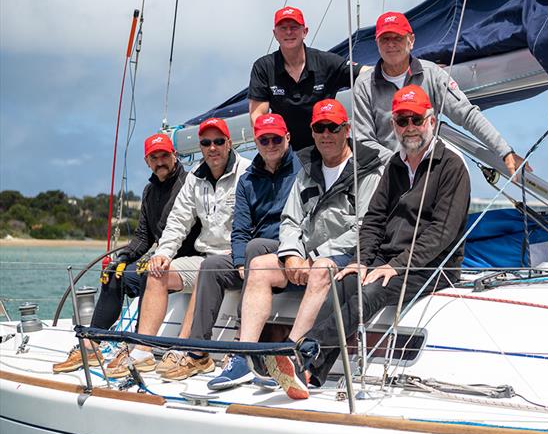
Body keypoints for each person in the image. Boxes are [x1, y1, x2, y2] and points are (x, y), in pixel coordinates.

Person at [270, 85, 470, 399]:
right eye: (402, 121)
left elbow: (442, 232)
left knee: (370, 293)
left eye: (416, 119)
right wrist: (360, 261)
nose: (409, 128)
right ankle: (312, 375)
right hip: (386, 260)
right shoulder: (394, 166)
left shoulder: (452, 167)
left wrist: (397, 265)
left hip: (429, 266)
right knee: (342, 285)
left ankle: (301, 354)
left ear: (431, 120)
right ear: (394, 126)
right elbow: (374, 220)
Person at [219, 98, 386, 397]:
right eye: (319, 128)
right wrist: (292, 254)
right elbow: (290, 219)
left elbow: (364, 226)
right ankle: (243, 356)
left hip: (341, 257)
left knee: (321, 269)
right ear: (311, 131)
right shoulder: (308, 170)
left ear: (346, 130)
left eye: (333, 127)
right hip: (305, 256)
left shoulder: (368, 172)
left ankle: (290, 356)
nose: (326, 134)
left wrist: (313, 256)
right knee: (258, 265)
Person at [104, 118, 251, 378]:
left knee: (207, 270)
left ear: (229, 144)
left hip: (237, 259)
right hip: (206, 256)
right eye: (206, 143)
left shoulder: (246, 173)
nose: (212, 148)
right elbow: (178, 221)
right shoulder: (196, 177)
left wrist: (241, 253)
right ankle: (143, 350)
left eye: (218, 142)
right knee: (156, 271)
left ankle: (183, 349)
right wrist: (163, 254)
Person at [164, 113, 301, 385]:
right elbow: (240, 227)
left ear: (287, 139)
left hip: (289, 250)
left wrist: (256, 254)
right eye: (264, 139)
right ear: (256, 142)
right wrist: (239, 261)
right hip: (254, 254)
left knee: (256, 246)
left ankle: (241, 349)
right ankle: (198, 350)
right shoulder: (249, 179)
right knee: (211, 265)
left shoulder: (301, 172)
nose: (270, 144)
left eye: (275, 139)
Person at [53, 134, 200, 373]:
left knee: (146, 273)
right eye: (155, 157)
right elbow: (144, 237)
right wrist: (122, 259)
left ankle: (140, 348)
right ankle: (91, 346)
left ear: (175, 155)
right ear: (147, 161)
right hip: (161, 259)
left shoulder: (189, 183)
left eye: (165, 155)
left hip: (187, 261)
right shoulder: (149, 191)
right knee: (115, 274)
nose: (160, 161)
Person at [352, 11, 528, 177]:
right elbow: (364, 141)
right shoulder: (364, 85)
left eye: (397, 38)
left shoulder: (433, 74)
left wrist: (504, 150)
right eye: (385, 39)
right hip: (387, 174)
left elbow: (466, 115)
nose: (391, 44)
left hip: (428, 173)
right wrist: (400, 164)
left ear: (411, 40)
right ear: (377, 43)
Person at [248, 6, 366, 151]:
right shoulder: (263, 67)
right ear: (275, 34)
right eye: (283, 28)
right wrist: (269, 147)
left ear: (305, 31)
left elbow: (365, 74)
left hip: (325, 147)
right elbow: (258, 115)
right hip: (286, 151)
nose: (289, 32)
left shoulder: (325, 62)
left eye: (294, 27)